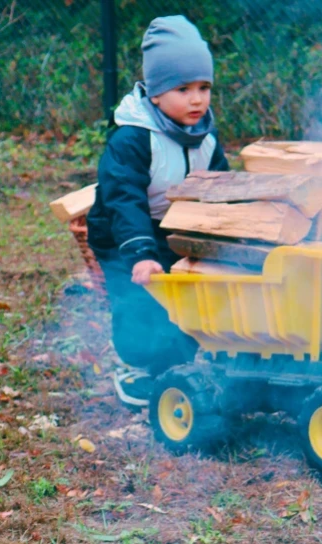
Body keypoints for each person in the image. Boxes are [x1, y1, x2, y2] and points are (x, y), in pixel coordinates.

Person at [86, 15, 229, 409]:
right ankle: (140, 368)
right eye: (183, 89)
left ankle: (177, 368)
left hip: (172, 228)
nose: (197, 99)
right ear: (154, 92)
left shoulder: (206, 138)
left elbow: (220, 190)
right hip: (122, 235)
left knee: (186, 300)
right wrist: (141, 253)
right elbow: (123, 197)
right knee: (141, 303)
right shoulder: (132, 138)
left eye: (204, 88)